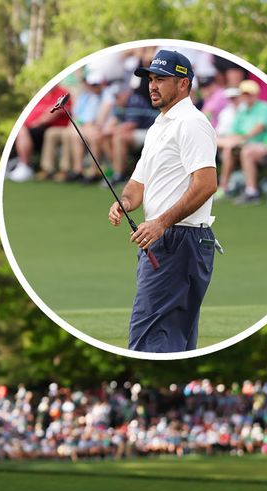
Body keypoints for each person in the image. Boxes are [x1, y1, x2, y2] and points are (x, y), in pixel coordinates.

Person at [108, 50, 219, 353]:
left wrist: (161, 223)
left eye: (161, 79)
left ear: (183, 84)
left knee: (148, 337)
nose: (152, 86)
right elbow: (138, 183)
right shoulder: (160, 126)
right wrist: (125, 202)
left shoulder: (191, 123)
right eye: (151, 79)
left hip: (178, 238)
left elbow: (207, 184)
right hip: (167, 239)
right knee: (174, 338)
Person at [216, 79, 267, 197]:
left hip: (266, 142)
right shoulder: (241, 110)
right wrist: (239, 139)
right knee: (228, 149)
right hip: (242, 142)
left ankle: (251, 190)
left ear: (255, 94)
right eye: (244, 94)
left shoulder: (265, 107)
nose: (246, 97)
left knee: (245, 152)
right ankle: (223, 187)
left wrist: (242, 138)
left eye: (248, 94)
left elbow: (260, 127)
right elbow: (232, 131)